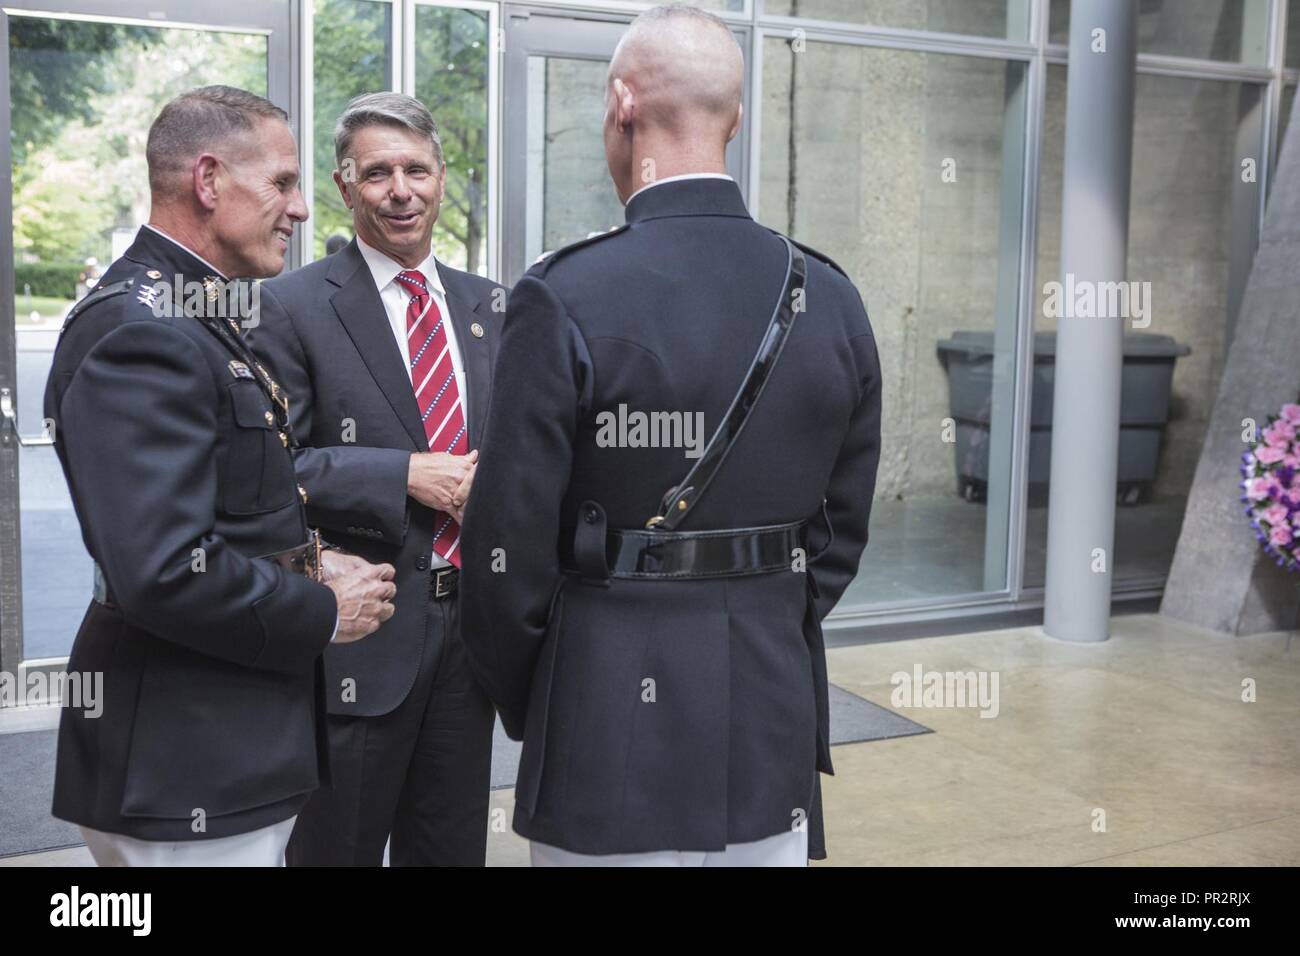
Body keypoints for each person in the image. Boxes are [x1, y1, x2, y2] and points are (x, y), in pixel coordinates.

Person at [459, 4, 883, 866]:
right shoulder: (830, 295)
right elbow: (840, 527)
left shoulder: (563, 293)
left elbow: (505, 549)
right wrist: (761, 605)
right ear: (734, 118)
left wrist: (543, 688)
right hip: (772, 708)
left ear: (622, 105)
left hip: (605, 713)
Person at [43, 85, 396, 867]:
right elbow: (163, 569)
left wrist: (305, 560)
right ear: (208, 181)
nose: (301, 209)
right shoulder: (143, 330)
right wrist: (320, 606)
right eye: (281, 183)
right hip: (185, 755)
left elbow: (222, 518)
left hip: (219, 739)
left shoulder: (190, 312)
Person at [248, 93, 505, 866]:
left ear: (442, 177)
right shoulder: (289, 307)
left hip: (472, 641)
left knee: (451, 850)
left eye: (417, 170)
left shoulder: (492, 304)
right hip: (360, 643)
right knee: (337, 851)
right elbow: (271, 467)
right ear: (345, 185)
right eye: (379, 172)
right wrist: (402, 475)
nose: (402, 189)